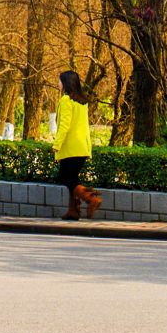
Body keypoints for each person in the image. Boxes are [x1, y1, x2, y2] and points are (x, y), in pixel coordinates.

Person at [55, 69, 100, 220]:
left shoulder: (66, 100)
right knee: (72, 179)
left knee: (65, 177)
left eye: (60, 80)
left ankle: (90, 198)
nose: (58, 83)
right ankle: (73, 211)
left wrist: (57, 144)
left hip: (71, 147)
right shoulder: (82, 101)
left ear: (66, 83)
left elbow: (64, 125)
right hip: (82, 146)